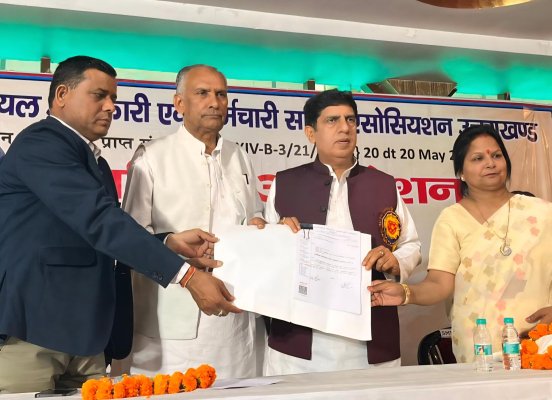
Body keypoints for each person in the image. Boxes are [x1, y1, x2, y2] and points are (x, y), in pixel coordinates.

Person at [0, 56, 234, 393]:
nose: (111, 107)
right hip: (33, 330)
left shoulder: (96, 162)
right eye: (99, 96)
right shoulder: (40, 144)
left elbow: (95, 236)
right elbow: (99, 220)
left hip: (87, 336)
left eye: (113, 98)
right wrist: (188, 276)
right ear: (62, 95)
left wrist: (167, 242)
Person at [119, 64, 265, 379]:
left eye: (221, 94)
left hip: (237, 316)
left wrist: (258, 225)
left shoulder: (239, 156)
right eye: (202, 93)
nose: (214, 102)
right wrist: (175, 249)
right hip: (173, 319)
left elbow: (256, 214)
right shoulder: (152, 156)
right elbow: (130, 239)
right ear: (179, 103)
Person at [263, 89, 421, 374]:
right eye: (332, 120)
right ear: (311, 133)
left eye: (350, 119)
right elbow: (266, 255)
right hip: (300, 342)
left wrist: (396, 261)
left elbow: (411, 244)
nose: (345, 128)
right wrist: (277, 238)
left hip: (370, 339)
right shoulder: (285, 183)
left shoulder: (384, 184)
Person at [370, 124, 552, 363]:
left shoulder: (542, 213)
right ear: (461, 173)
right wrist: (405, 293)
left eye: (497, 155)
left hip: (539, 342)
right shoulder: (452, 219)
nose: (490, 163)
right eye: (478, 158)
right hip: (479, 346)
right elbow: (439, 283)